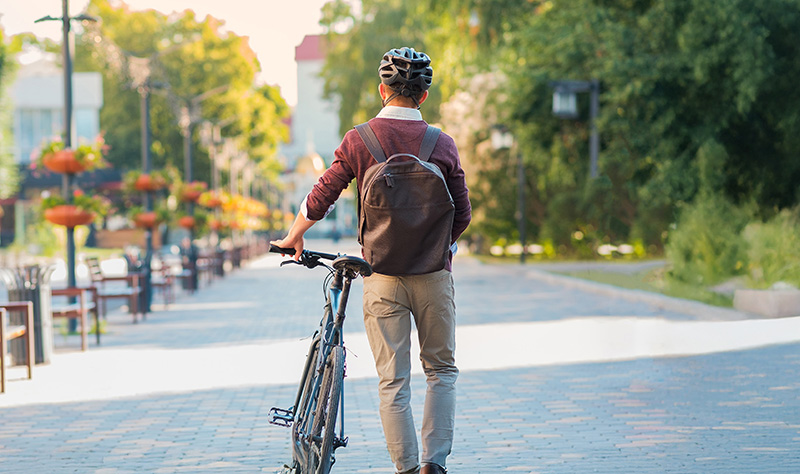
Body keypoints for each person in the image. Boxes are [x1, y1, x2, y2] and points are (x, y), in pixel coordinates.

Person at [272, 46, 471, 474]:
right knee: (440, 370)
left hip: (380, 276)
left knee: (393, 380)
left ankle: (405, 467)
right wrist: (438, 248)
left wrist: (294, 236)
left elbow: (322, 195)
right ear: (423, 96)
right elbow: (463, 212)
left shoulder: (359, 140)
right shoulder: (442, 143)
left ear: (383, 90)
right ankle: (433, 466)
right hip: (435, 276)